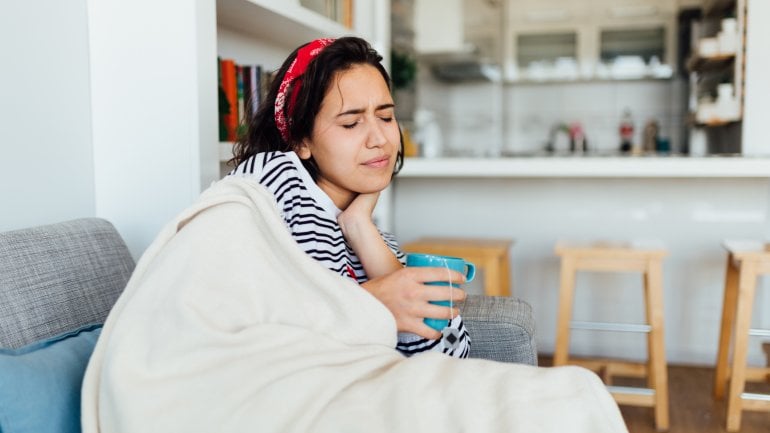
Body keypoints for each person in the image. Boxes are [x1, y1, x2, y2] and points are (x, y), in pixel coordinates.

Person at [226, 36, 470, 358]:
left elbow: (451, 355)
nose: (380, 138)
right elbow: (246, 331)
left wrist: (360, 227)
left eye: (385, 117)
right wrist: (370, 303)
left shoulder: (371, 238)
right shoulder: (272, 178)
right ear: (301, 141)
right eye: (352, 123)